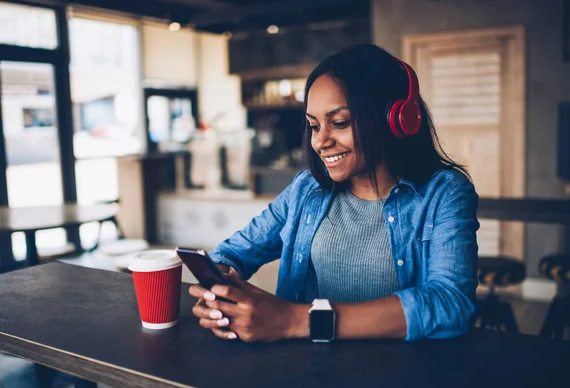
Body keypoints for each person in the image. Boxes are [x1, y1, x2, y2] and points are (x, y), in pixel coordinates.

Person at [188, 44, 479, 343]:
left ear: (395, 119)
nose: (320, 141)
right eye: (314, 126)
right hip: (307, 373)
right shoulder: (305, 190)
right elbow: (234, 252)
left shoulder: (444, 192)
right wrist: (219, 285)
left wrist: (294, 320)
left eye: (339, 123)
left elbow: (450, 304)